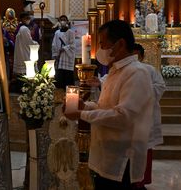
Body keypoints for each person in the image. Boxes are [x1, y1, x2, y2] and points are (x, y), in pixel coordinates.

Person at [64, 20, 154, 189]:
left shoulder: (136, 73)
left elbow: (122, 117)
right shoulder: (116, 71)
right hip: (106, 158)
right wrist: (85, 106)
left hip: (122, 163)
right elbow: (105, 107)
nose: (101, 50)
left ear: (120, 44)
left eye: (103, 44)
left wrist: (81, 115)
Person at [131, 43, 165, 190]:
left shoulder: (150, 70)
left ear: (142, 56)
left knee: (144, 150)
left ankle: (141, 182)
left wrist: (141, 90)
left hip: (145, 117)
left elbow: (160, 87)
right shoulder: (122, 70)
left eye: (137, 55)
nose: (134, 58)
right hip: (128, 118)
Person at [51, 15, 76, 89]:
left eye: (64, 20)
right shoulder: (57, 33)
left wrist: (64, 48)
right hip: (59, 57)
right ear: (59, 22)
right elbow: (54, 45)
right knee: (59, 76)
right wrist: (55, 54)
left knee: (68, 76)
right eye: (61, 20)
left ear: (67, 21)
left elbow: (73, 45)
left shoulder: (70, 32)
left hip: (67, 57)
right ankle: (60, 93)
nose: (63, 21)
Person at [13, 12, 38, 76]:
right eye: (27, 18)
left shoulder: (21, 28)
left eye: (29, 18)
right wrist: (36, 43)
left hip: (21, 51)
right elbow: (29, 43)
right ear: (22, 19)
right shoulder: (24, 29)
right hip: (24, 53)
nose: (28, 20)